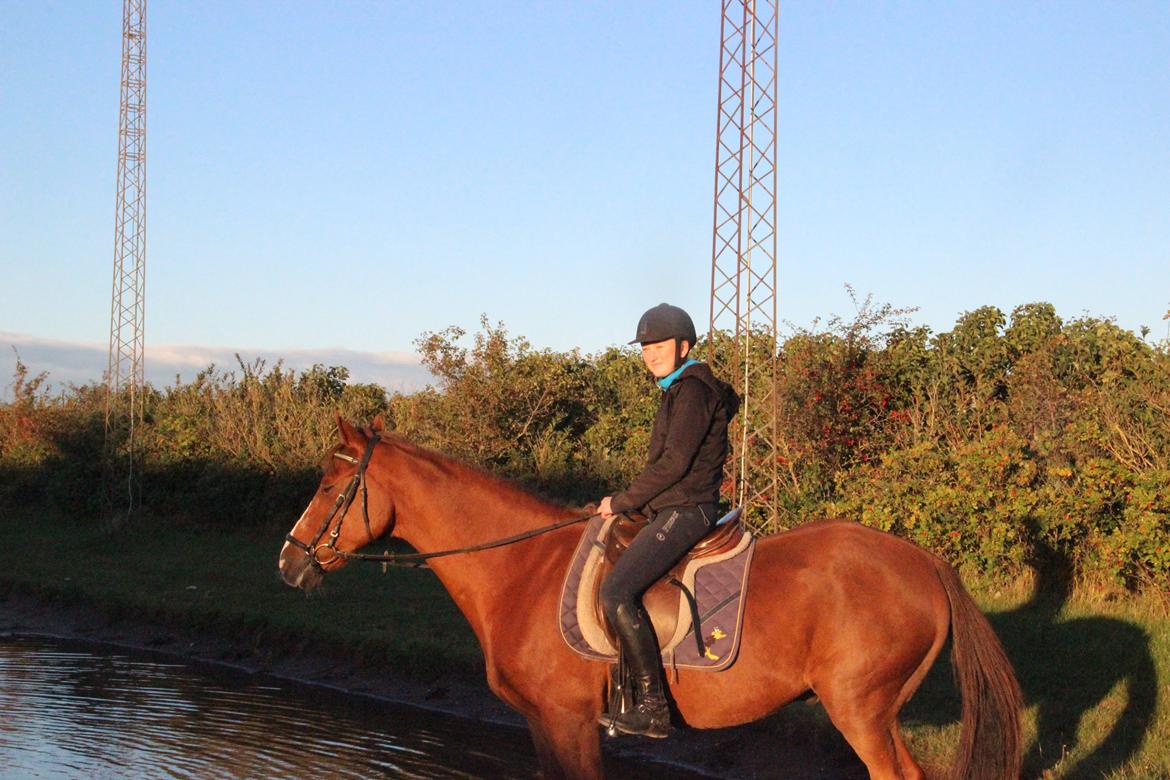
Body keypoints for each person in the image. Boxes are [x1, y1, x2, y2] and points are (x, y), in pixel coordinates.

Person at [597, 302, 740, 738]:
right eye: (645, 348)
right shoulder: (677, 390)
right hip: (672, 506)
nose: (650, 354)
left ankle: (653, 708)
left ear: (683, 346)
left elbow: (674, 464)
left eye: (658, 345)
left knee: (616, 591)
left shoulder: (693, 390)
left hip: (687, 510)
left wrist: (623, 501)